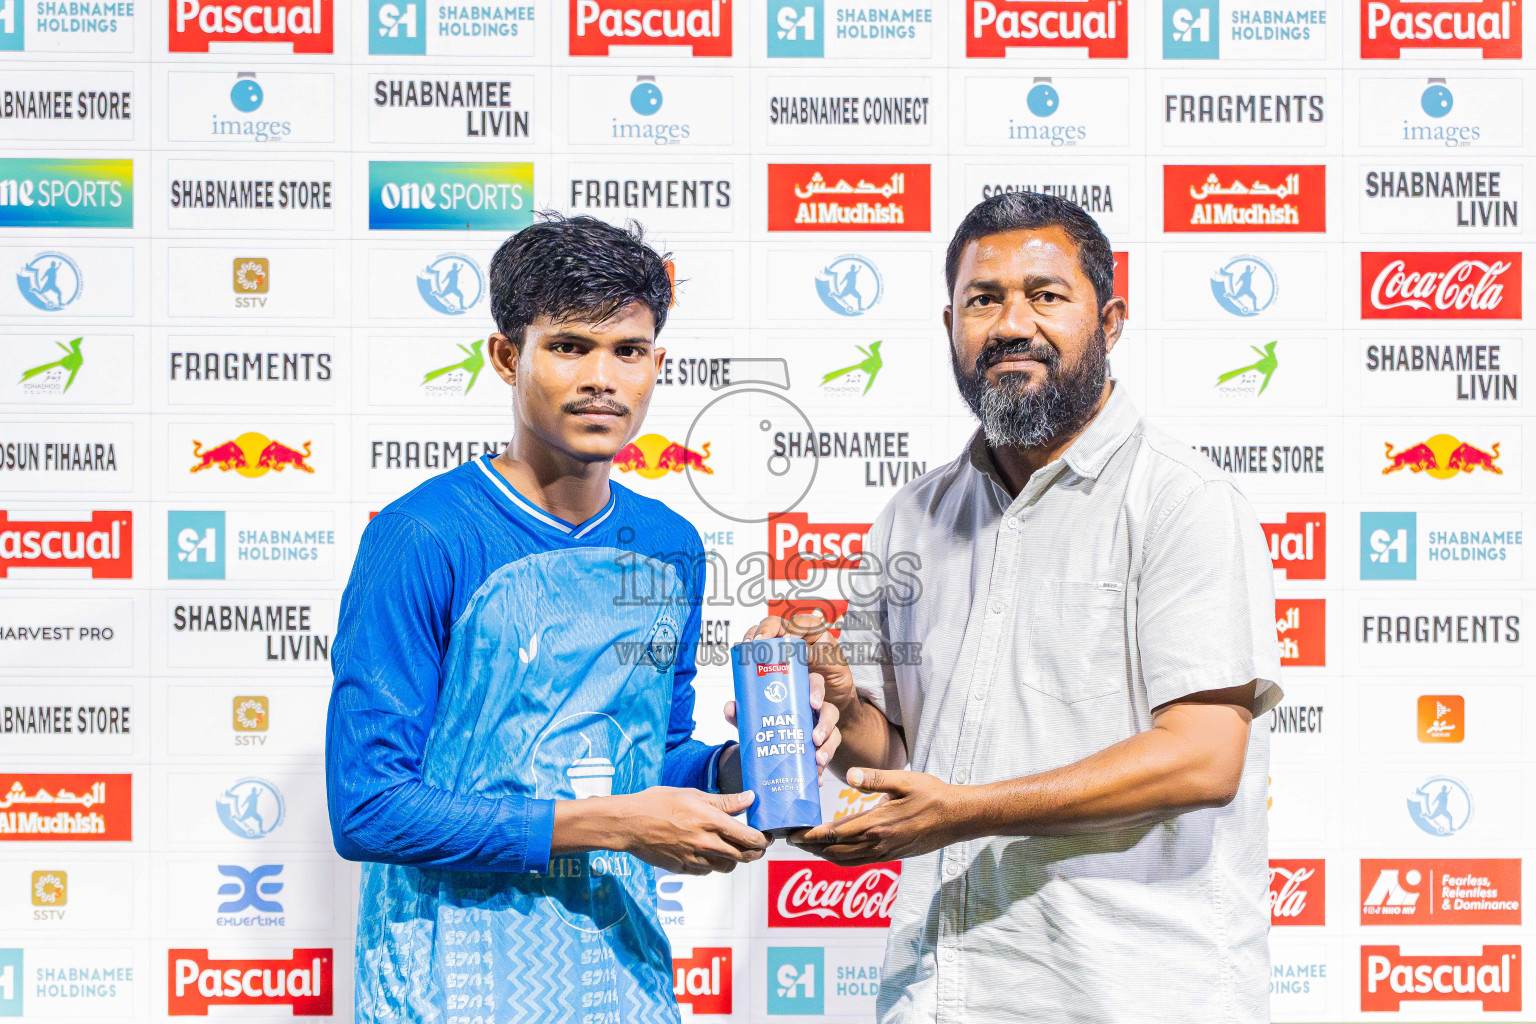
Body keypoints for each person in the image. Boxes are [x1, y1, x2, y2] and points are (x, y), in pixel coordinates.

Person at [749, 191, 1284, 1024]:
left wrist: (962, 812)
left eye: (1045, 295)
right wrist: (845, 706)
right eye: (982, 300)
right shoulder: (912, 516)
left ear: (1109, 322)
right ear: (950, 327)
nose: (1010, 324)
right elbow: (887, 757)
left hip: (1133, 995)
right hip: (942, 990)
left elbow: (1202, 758)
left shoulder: (1183, 499)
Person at [326, 213, 841, 1023]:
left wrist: (753, 766)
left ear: (656, 365)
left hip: (623, 982)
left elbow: (649, 759)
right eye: (569, 346)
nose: (603, 378)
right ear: (507, 356)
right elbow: (369, 807)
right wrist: (616, 824)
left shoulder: (670, 545)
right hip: (446, 989)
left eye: (628, 351)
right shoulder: (422, 536)